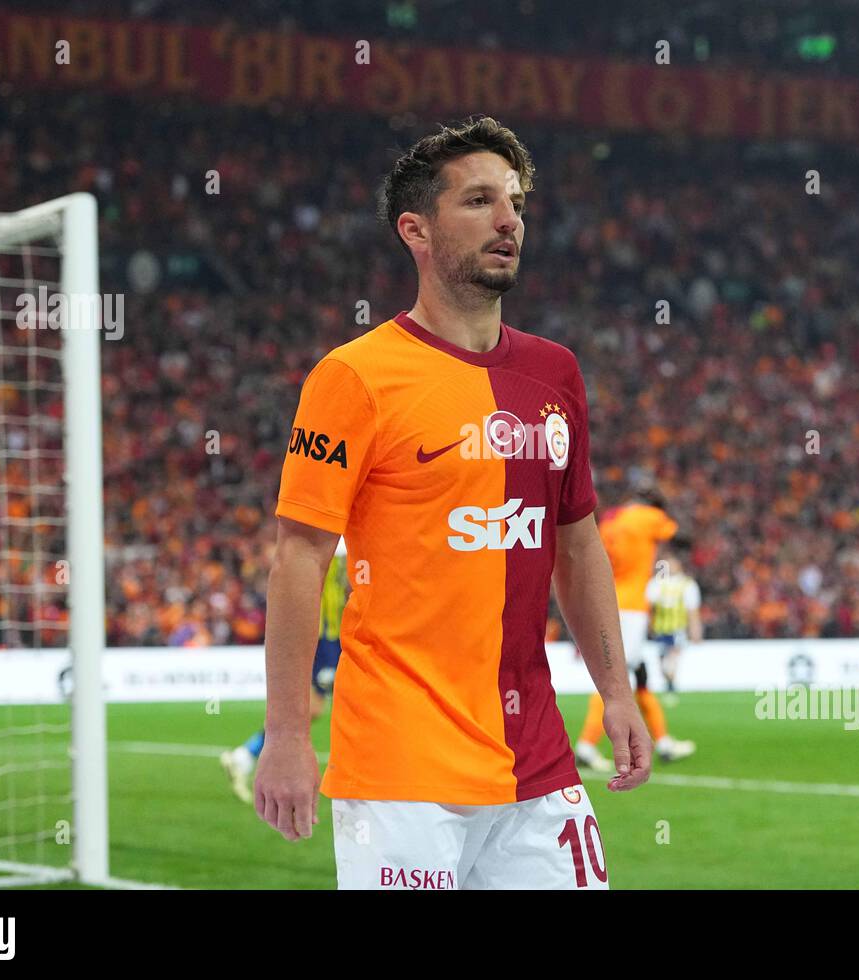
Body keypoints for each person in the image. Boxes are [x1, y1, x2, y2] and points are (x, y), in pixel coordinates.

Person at [254, 116, 650, 890]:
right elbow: (300, 557)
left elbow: (578, 544)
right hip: (401, 762)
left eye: (517, 202)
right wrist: (288, 736)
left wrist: (617, 693)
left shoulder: (555, 374)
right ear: (417, 230)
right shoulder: (354, 377)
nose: (509, 220)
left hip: (535, 758)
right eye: (478, 201)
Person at [221, 539, 348, 804]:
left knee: (316, 706)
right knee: (319, 705)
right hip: (325, 635)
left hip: (329, 634)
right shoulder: (335, 542)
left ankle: (244, 756)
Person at [574, 493, 696, 768]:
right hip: (632, 606)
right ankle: (586, 743)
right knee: (617, 679)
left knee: (639, 674)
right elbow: (682, 537)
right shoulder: (648, 516)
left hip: (608, 598)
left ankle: (663, 742)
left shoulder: (609, 519)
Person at [645, 543, 703, 706]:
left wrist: (695, 631)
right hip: (660, 630)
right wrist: (648, 626)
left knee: (672, 659)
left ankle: (671, 687)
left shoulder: (687, 585)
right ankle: (668, 684)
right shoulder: (656, 584)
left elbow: (692, 611)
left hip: (678, 629)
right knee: (662, 661)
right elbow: (650, 608)